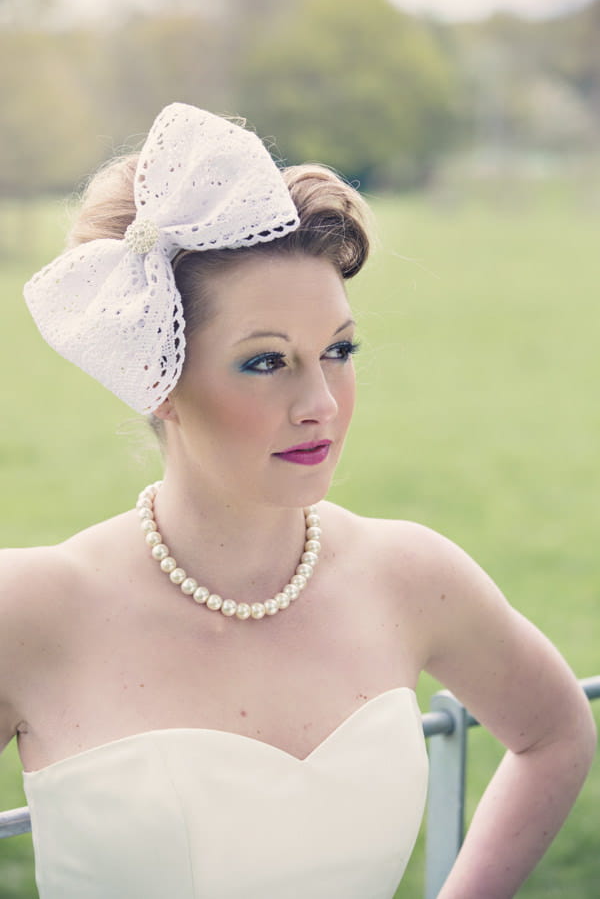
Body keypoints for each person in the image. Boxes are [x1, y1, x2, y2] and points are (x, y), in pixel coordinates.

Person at [0, 102, 595, 899]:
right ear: (159, 382)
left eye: (338, 351)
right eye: (266, 362)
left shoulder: (410, 575)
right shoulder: (32, 611)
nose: (322, 401)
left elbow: (555, 732)